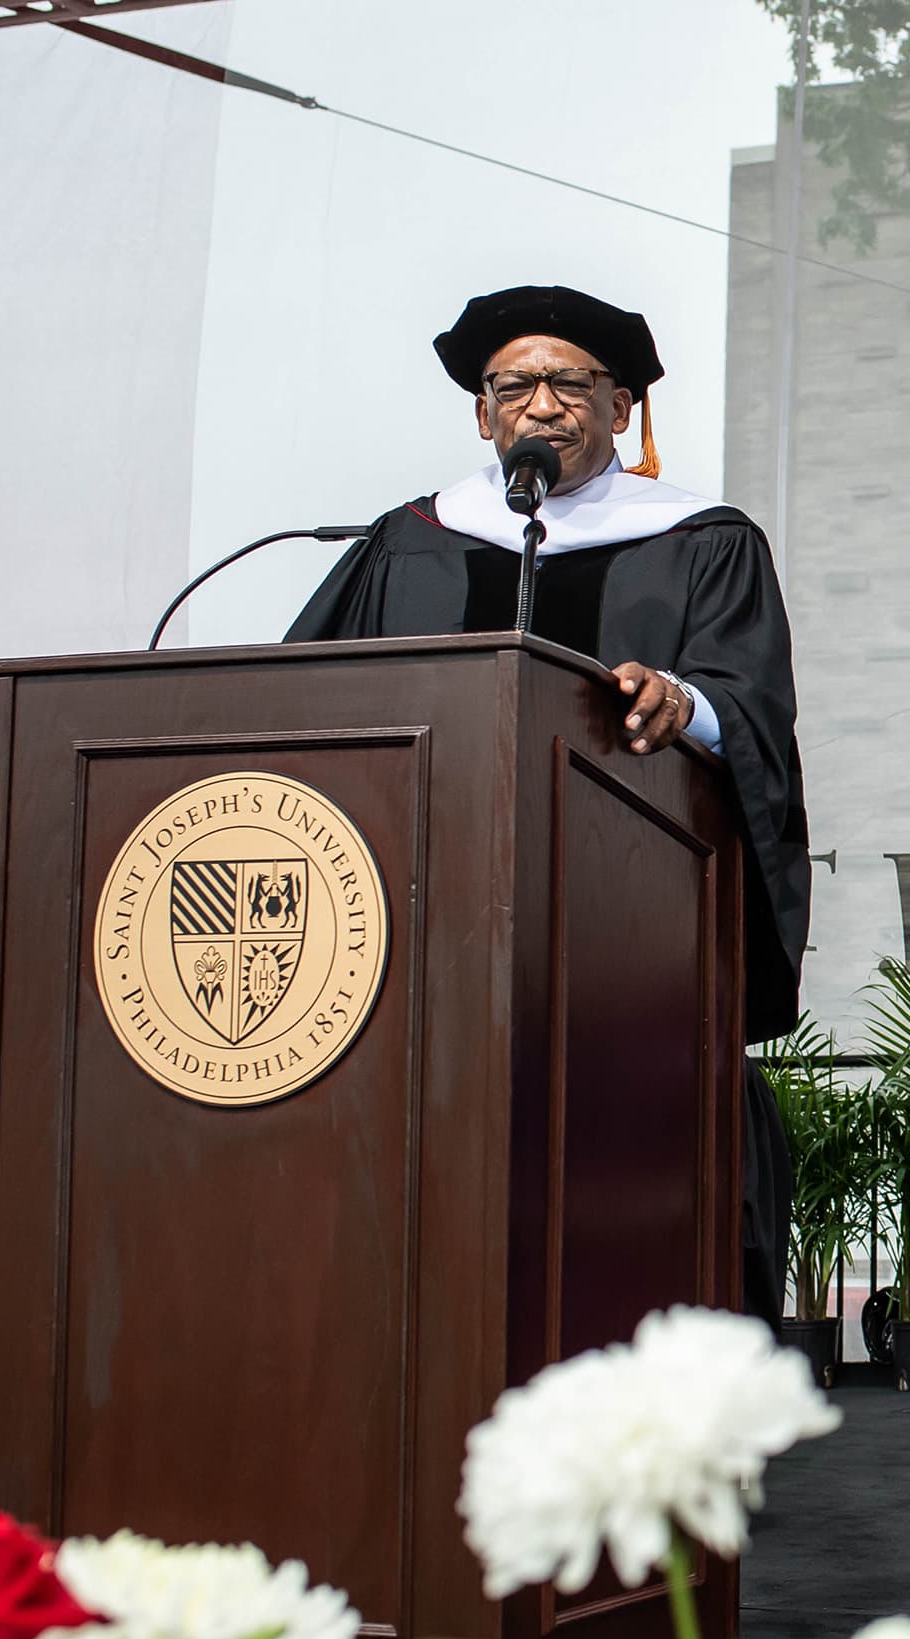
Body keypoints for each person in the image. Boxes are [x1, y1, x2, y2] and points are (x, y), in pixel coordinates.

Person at [285, 284, 808, 1314]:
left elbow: (752, 709)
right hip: (417, 936)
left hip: (619, 939)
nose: (542, 405)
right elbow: (301, 705)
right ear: (482, 414)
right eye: (514, 384)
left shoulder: (701, 540)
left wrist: (683, 703)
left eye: (570, 383)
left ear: (621, 408)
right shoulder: (408, 541)